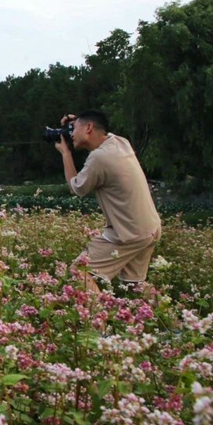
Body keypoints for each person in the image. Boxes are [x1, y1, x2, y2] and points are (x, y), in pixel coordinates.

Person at [55, 110, 161, 292]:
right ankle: (170, 320)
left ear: (88, 128)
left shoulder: (99, 158)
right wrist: (76, 121)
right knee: (135, 285)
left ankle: (100, 318)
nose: (70, 134)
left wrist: (65, 153)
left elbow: (76, 188)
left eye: (74, 129)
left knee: (78, 272)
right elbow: (101, 129)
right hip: (150, 228)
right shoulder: (121, 143)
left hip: (127, 232)